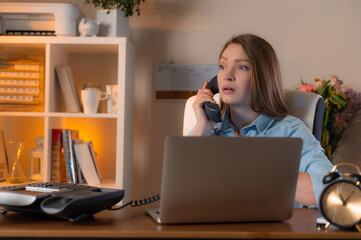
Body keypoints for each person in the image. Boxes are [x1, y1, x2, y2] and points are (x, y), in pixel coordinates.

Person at [192, 34, 334, 208]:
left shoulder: (289, 130)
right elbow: (179, 195)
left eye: (242, 67)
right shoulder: (206, 129)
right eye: (222, 66)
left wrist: (253, 163)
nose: (227, 75)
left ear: (263, 78)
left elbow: (330, 189)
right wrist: (201, 131)